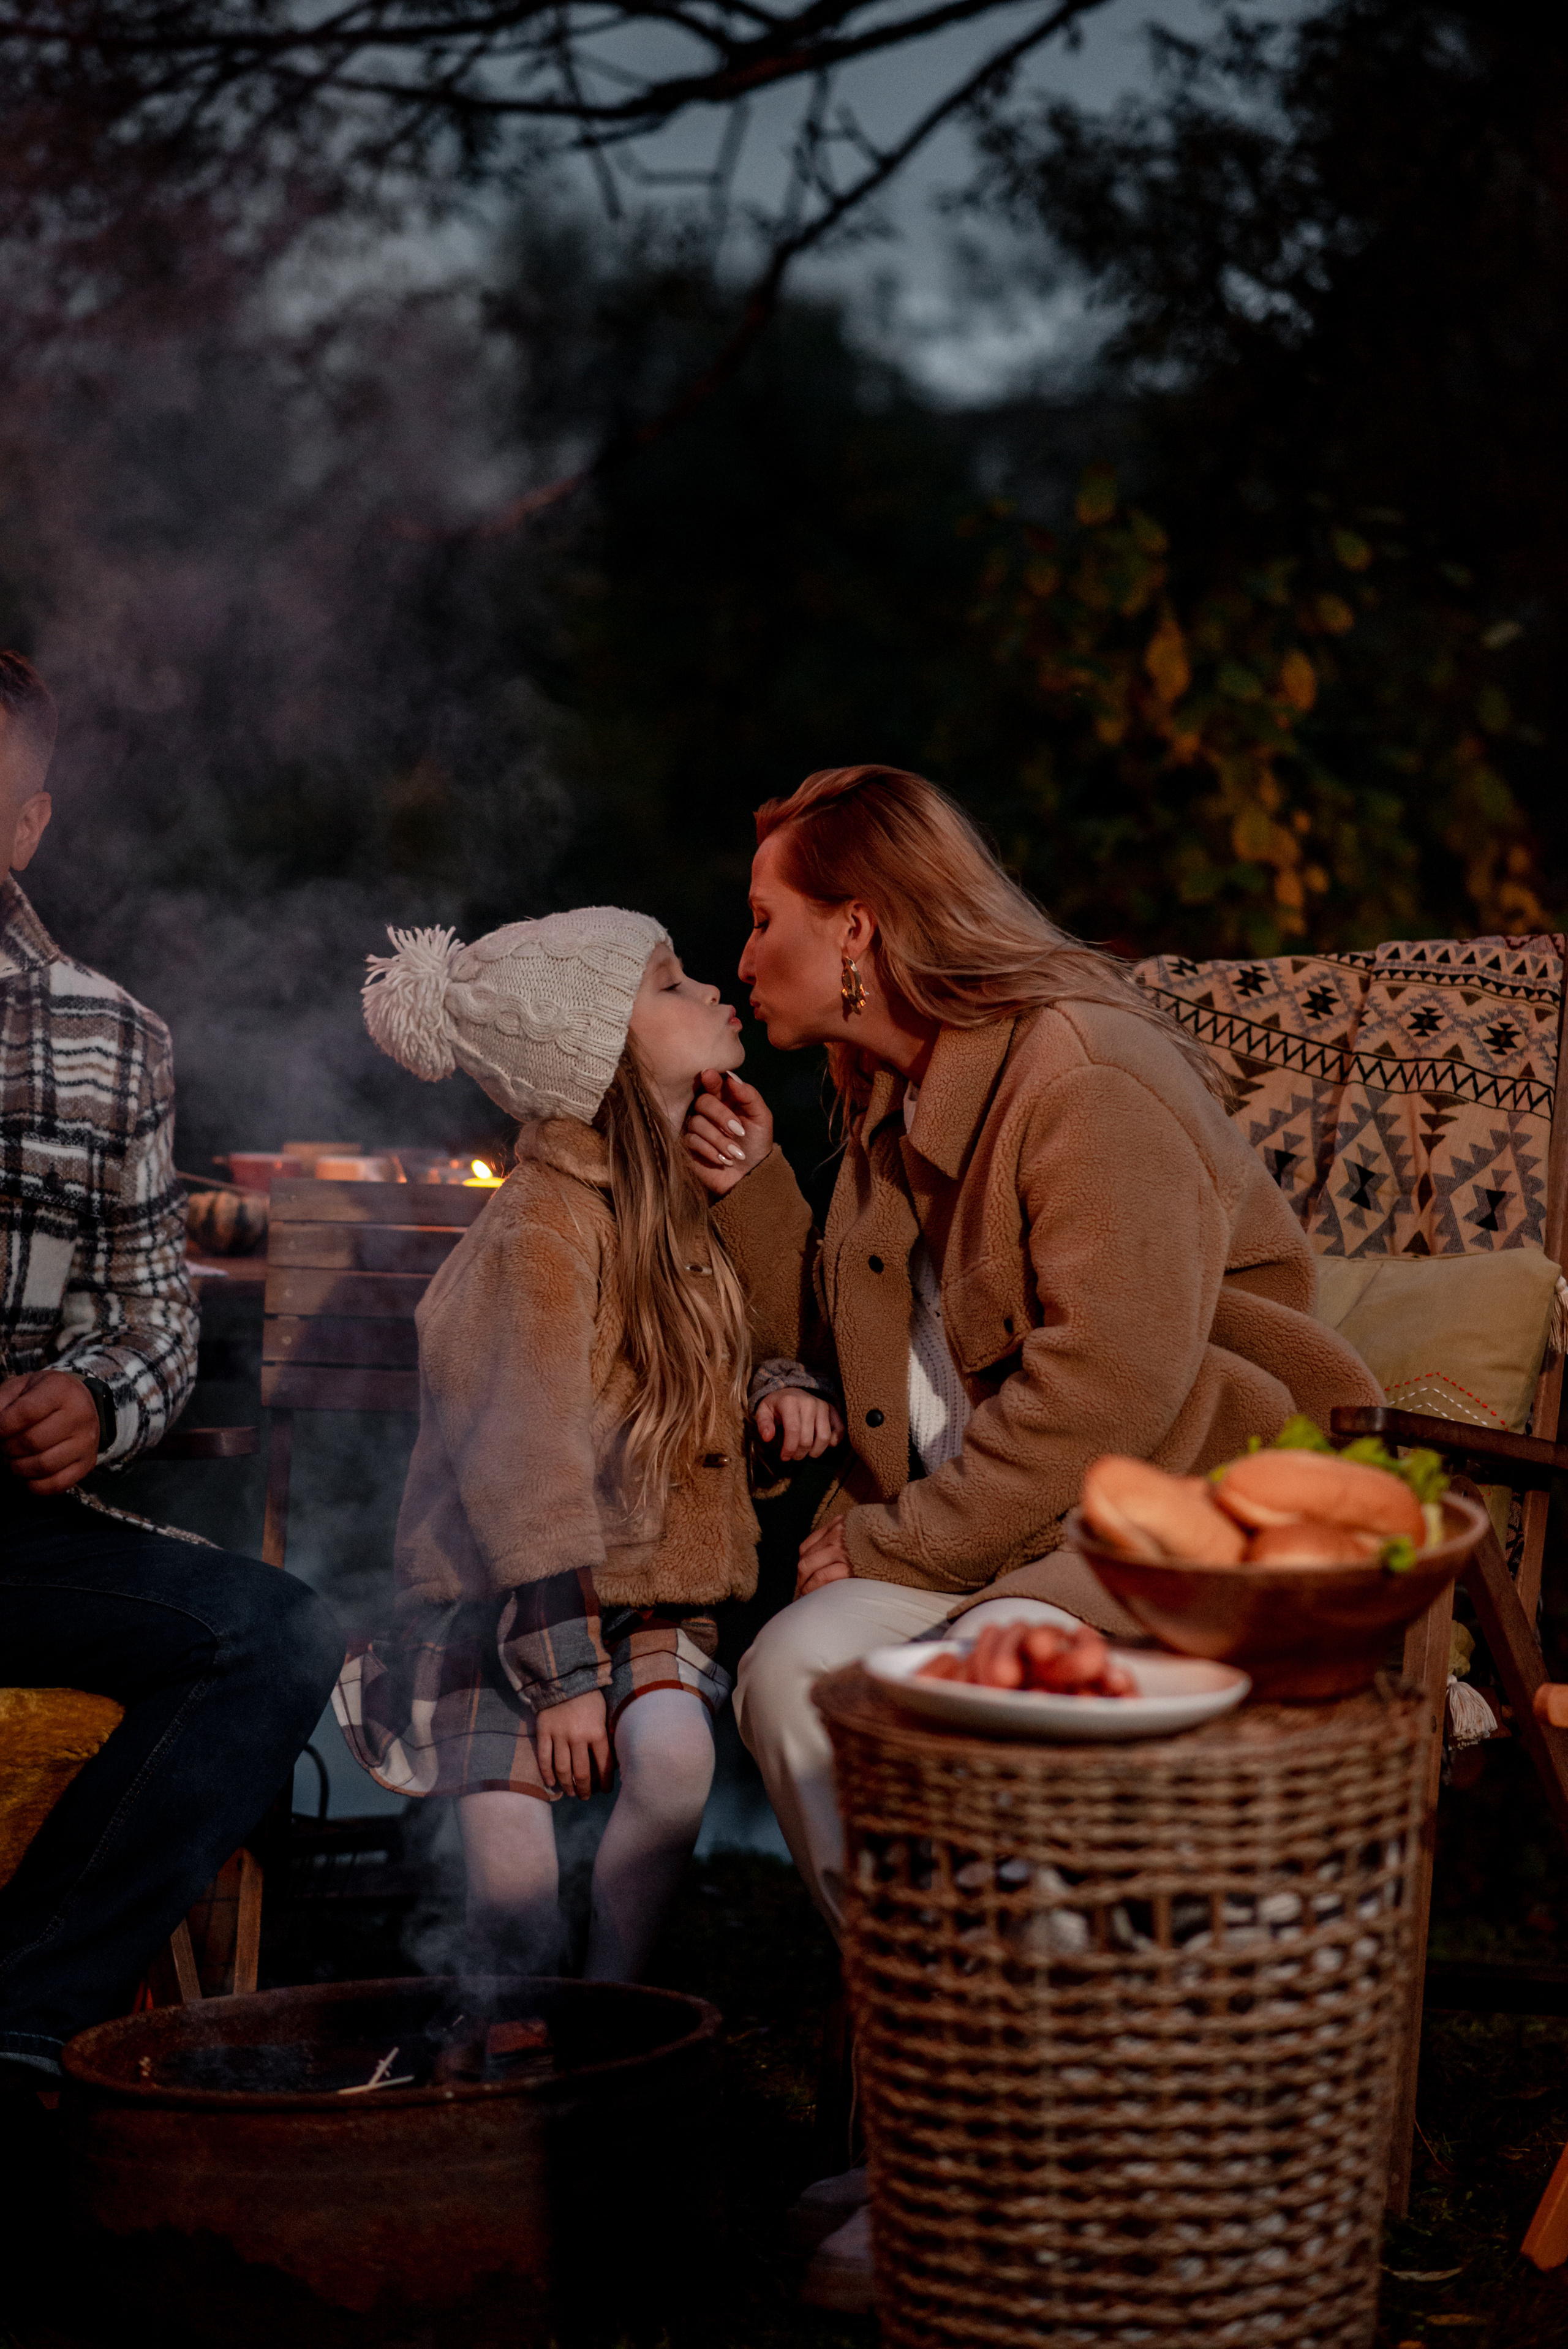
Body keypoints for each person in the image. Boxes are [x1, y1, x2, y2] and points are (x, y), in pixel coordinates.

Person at [684, 763, 1384, 1936]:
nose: (742, 960)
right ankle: (959, 2018)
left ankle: (1061, 2039)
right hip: (993, 1534)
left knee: (981, 1695)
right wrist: (756, 1190)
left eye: (764, 923)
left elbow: (1110, 1386)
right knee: (788, 1675)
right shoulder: (886, 1096)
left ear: (855, 926)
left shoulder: (1084, 1075)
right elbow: (861, 1361)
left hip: (1168, 1517)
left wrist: (893, 1541)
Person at [335, 908, 840, 1981]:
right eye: (669, 985)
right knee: (513, 1880)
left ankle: (617, 2008)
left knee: (672, 1767)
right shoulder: (540, 1228)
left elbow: (756, 1330)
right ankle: (511, 2022)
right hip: (510, 1595)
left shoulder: (683, 1200)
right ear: (599, 1052)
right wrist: (564, 1676)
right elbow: (520, 1454)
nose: (710, 990)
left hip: (650, 1581)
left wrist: (778, 1388)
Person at [0, 650, 344, 2092]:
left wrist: (98, 1396)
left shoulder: (108, 1033)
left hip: (9, 1534)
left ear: (27, 823)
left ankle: (18, 2022)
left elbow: (153, 1317)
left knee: (276, 1633)